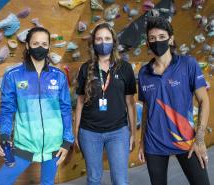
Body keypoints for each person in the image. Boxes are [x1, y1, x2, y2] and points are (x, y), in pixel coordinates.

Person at [0, 27, 74, 185]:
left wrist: (67, 141)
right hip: (25, 145)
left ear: (49, 47)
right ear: (28, 46)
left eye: (44, 43)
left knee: (47, 183)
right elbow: (7, 110)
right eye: (35, 43)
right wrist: (4, 136)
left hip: (54, 145)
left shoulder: (59, 76)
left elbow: (65, 110)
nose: (40, 47)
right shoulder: (13, 75)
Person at [138, 16, 210, 185]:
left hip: (186, 140)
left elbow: (204, 101)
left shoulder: (188, 64)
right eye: (152, 39)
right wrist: (142, 142)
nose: (157, 42)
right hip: (154, 144)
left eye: (162, 37)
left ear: (171, 39)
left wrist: (199, 140)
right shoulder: (143, 73)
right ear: (147, 43)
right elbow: (147, 108)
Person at [75, 22, 137, 185]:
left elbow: (130, 103)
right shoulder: (85, 68)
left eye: (107, 38)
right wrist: (76, 132)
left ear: (114, 42)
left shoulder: (125, 68)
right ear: (93, 43)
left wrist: (133, 133)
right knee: (94, 179)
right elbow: (80, 102)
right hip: (89, 132)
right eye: (99, 39)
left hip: (118, 132)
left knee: (120, 180)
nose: (103, 42)